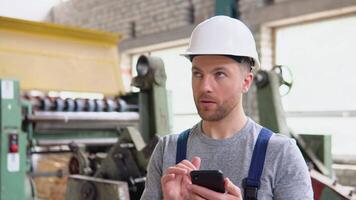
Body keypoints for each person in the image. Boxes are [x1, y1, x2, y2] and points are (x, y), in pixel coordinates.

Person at [140, 15, 313, 200]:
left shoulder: (281, 154)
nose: (205, 86)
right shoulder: (168, 150)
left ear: (246, 82)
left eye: (219, 74)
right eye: (197, 74)